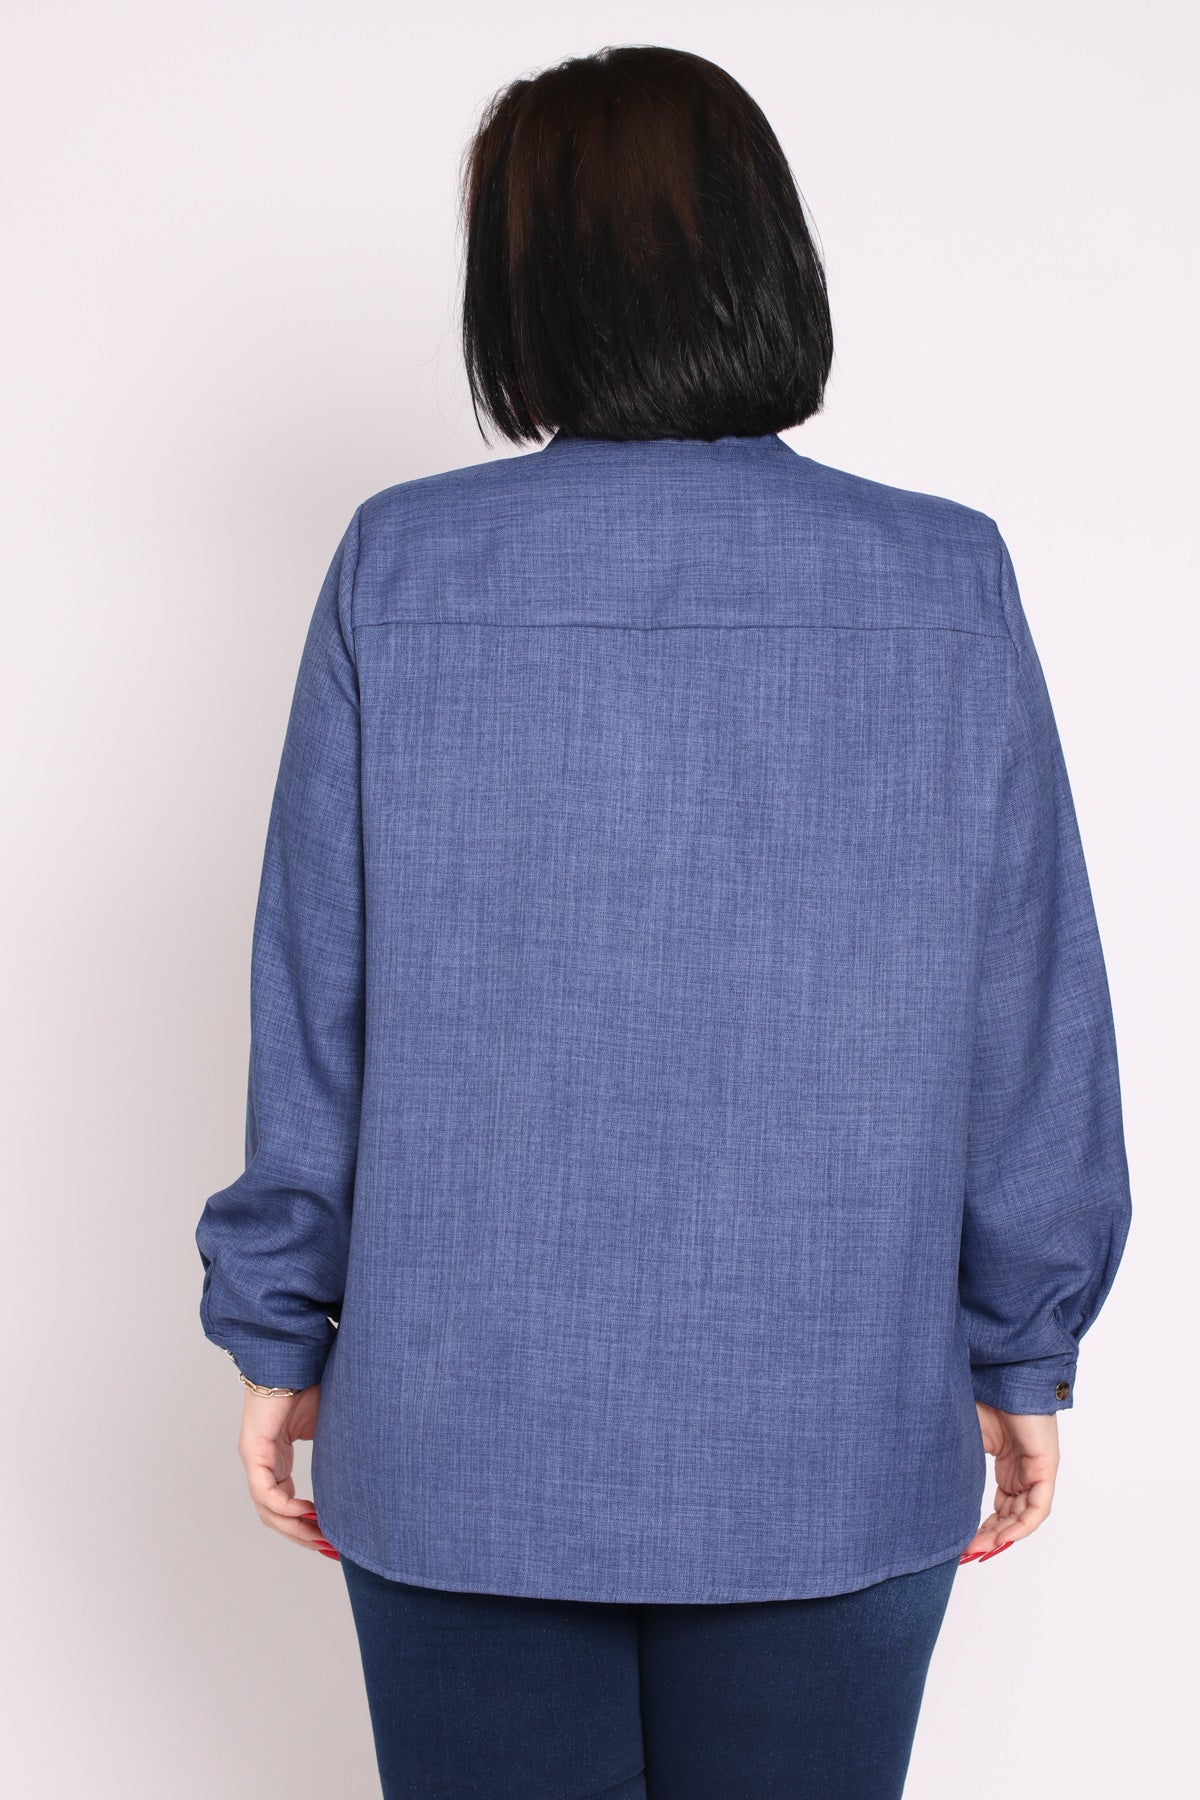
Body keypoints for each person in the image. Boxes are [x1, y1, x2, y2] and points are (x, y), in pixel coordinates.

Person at [194, 43, 1133, 1799]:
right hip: (831, 1431)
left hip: (463, 1434)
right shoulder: (943, 580)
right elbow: (1030, 1014)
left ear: (523, 285)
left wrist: (277, 1326)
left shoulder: (403, 566)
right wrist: (1026, 1344)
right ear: (765, 256)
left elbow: (320, 1000)